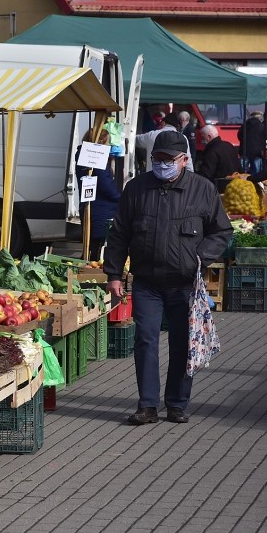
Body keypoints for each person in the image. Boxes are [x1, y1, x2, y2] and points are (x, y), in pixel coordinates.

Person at [104, 130, 232, 426]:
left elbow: (222, 231)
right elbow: (119, 233)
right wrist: (113, 274)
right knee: (146, 341)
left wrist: (200, 256)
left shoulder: (202, 189)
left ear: (184, 160)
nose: (162, 164)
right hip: (147, 282)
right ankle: (147, 405)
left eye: (168, 160)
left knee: (182, 343)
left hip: (185, 283)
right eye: (157, 159)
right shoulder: (136, 188)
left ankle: (176, 403)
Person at [75, 128, 121, 261]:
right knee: (96, 249)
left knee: (90, 247)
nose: (108, 146)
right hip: (101, 209)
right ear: (100, 142)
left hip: (91, 206)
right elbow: (105, 185)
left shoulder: (82, 154)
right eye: (107, 143)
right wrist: (121, 197)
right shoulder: (95, 157)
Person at [238, 110, 267, 175]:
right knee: (256, 174)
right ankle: (255, 184)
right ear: (260, 118)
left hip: (244, 152)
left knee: (242, 173)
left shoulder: (244, 125)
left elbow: (239, 136)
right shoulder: (261, 126)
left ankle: (242, 184)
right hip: (256, 153)